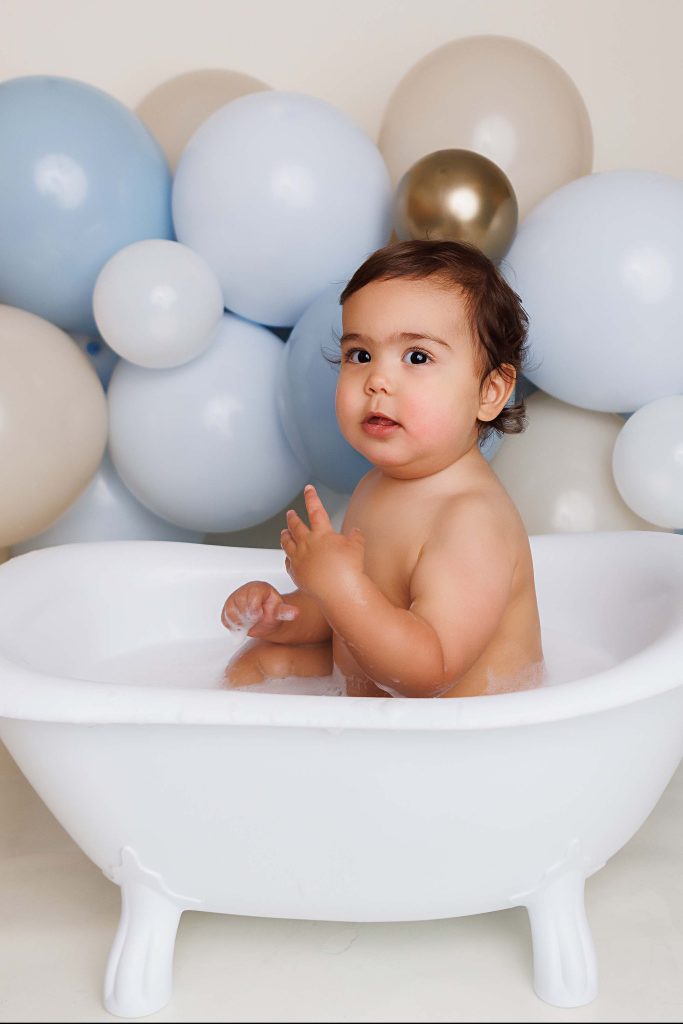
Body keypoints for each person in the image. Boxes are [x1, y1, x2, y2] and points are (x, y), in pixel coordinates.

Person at [221, 239, 545, 698]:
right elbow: (353, 614)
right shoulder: (377, 486)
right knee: (256, 663)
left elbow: (428, 671)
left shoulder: (472, 520)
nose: (377, 380)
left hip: (461, 743)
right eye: (360, 355)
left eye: (417, 357)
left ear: (490, 392)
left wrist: (338, 587)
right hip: (382, 709)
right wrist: (285, 614)